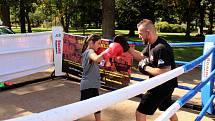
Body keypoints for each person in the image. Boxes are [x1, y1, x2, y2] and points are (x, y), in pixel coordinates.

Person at [128, 19, 178, 121]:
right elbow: (141, 56)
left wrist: (145, 67)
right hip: (167, 84)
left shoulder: (160, 48)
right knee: (168, 109)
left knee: (140, 112)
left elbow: (165, 72)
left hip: (161, 86)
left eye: (140, 34)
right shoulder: (152, 44)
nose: (139, 36)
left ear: (148, 32)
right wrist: (127, 48)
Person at [80, 34, 126, 121]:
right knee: (81, 108)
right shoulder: (90, 52)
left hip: (93, 84)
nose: (99, 45)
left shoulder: (93, 53)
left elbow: (103, 63)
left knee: (97, 106)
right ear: (91, 42)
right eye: (98, 43)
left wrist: (108, 58)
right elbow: (97, 59)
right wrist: (110, 50)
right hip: (88, 85)